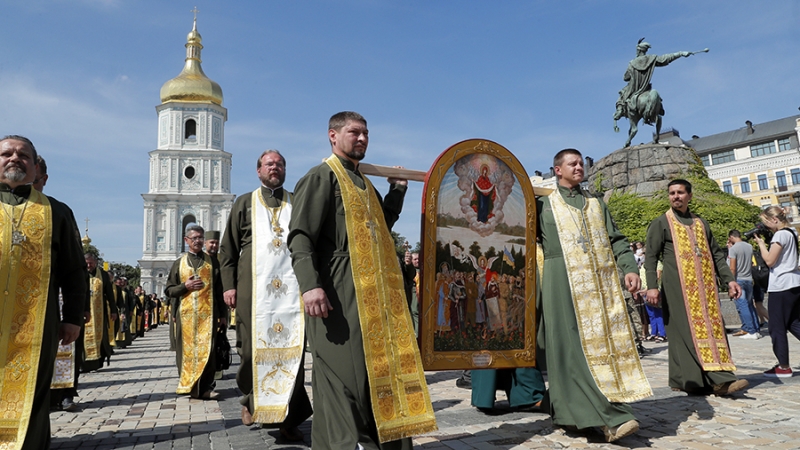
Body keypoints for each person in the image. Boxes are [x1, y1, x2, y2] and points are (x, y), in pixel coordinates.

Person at [288, 111, 437, 449]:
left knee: (376, 375)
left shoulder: (365, 183)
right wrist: (311, 285)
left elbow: (381, 226)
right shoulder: (320, 177)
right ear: (333, 135)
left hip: (377, 298)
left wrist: (396, 191)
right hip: (338, 292)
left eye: (366, 134)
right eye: (354, 132)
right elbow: (300, 237)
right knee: (343, 377)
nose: (362, 139)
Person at [537, 148, 651, 442]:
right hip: (559, 278)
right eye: (572, 164)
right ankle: (609, 415)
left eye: (580, 163)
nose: (579, 167)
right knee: (569, 349)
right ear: (557, 169)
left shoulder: (595, 202)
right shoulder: (541, 201)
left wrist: (629, 268)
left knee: (596, 349)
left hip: (600, 286)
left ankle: (571, 413)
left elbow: (616, 239)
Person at [0, 135, 88, 450]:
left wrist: (73, 318)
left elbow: (74, 271)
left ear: (36, 168)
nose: (14, 159)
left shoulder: (57, 212)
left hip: (36, 325)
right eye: (6, 153)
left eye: (23, 155)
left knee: (33, 393)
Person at [218, 150, 312, 440]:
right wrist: (229, 285)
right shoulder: (244, 203)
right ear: (258, 171)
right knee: (249, 349)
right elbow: (228, 250)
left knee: (292, 351)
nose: (275, 168)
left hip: (291, 292)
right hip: (252, 290)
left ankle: (289, 419)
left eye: (280, 164)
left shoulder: (297, 201)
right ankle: (250, 399)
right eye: (269, 164)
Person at [644, 179, 749, 396]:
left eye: (680, 192)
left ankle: (687, 380)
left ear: (689, 196)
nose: (676, 196)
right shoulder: (661, 222)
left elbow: (717, 254)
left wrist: (729, 279)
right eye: (672, 193)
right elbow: (651, 257)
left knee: (713, 329)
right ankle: (720, 380)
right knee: (685, 330)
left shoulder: (701, 223)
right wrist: (652, 287)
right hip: (677, 286)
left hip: (706, 288)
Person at [164, 224, 226, 399]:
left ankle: (205, 388)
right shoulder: (179, 263)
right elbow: (169, 290)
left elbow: (220, 290)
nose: (198, 241)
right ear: (186, 241)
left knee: (209, 351)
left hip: (209, 316)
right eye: (194, 238)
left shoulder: (212, 262)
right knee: (187, 353)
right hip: (186, 318)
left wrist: (223, 315)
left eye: (201, 238)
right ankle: (189, 386)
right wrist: (186, 286)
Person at [753, 206, 800, 377]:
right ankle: (783, 364)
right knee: (793, 323)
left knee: (776, 326)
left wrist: (761, 245)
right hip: (794, 282)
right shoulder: (792, 232)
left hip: (781, 284)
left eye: (766, 222)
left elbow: (770, 261)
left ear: (774, 220)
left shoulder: (780, 235)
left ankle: (784, 366)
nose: (765, 226)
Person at [82, 253, 118, 372]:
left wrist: (113, 310)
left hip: (99, 313)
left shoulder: (102, 274)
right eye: (87, 262)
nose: (89, 265)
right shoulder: (80, 272)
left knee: (100, 336)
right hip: (82, 311)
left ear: (96, 262)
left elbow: (109, 294)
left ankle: (97, 362)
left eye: (91, 263)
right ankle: (83, 363)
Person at [728, 230, 761, 339]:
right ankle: (756, 329)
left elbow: (732, 267)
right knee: (750, 304)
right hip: (749, 278)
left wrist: (731, 282)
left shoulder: (734, 249)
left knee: (742, 305)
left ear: (732, 237)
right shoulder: (749, 246)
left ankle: (750, 331)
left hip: (739, 279)